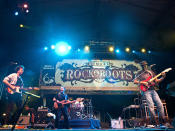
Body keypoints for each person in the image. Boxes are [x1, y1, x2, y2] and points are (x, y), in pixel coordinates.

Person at [134, 61, 166, 126]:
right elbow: (135, 81)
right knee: (150, 106)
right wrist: (143, 82)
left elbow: (156, 81)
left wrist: (163, 77)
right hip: (146, 91)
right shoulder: (139, 73)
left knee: (160, 105)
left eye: (145, 65)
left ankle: (162, 122)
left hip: (153, 90)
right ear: (141, 66)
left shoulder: (151, 72)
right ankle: (153, 123)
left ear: (147, 65)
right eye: (143, 65)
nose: (144, 66)